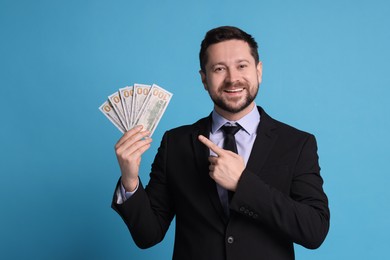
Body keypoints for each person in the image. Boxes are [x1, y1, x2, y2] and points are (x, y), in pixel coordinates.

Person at [112, 26, 330, 260]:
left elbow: (313, 231)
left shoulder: (297, 144)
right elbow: (148, 235)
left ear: (259, 71)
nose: (232, 78)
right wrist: (130, 180)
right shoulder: (175, 143)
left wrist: (243, 183)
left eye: (242, 66)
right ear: (204, 79)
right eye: (219, 69)